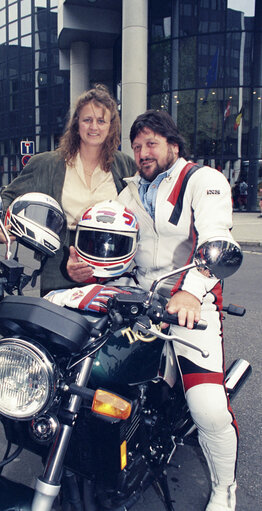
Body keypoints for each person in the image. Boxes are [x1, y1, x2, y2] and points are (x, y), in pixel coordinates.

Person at [67, 110, 239, 511]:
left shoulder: (203, 181)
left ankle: (223, 488)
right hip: (137, 299)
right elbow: (119, 250)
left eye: (151, 144)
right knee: (85, 364)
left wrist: (192, 293)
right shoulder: (127, 194)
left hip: (188, 306)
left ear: (172, 146)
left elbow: (215, 239)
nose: (143, 153)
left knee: (209, 409)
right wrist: (84, 267)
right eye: (137, 145)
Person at [0, 84, 137, 296]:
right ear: (77, 124)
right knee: (56, 326)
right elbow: (6, 198)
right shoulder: (48, 164)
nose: (94, 127)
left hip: (110, 267)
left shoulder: (126, 166)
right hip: (59, 267)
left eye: (101, 121)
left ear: (111, 126)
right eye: (87, 120)